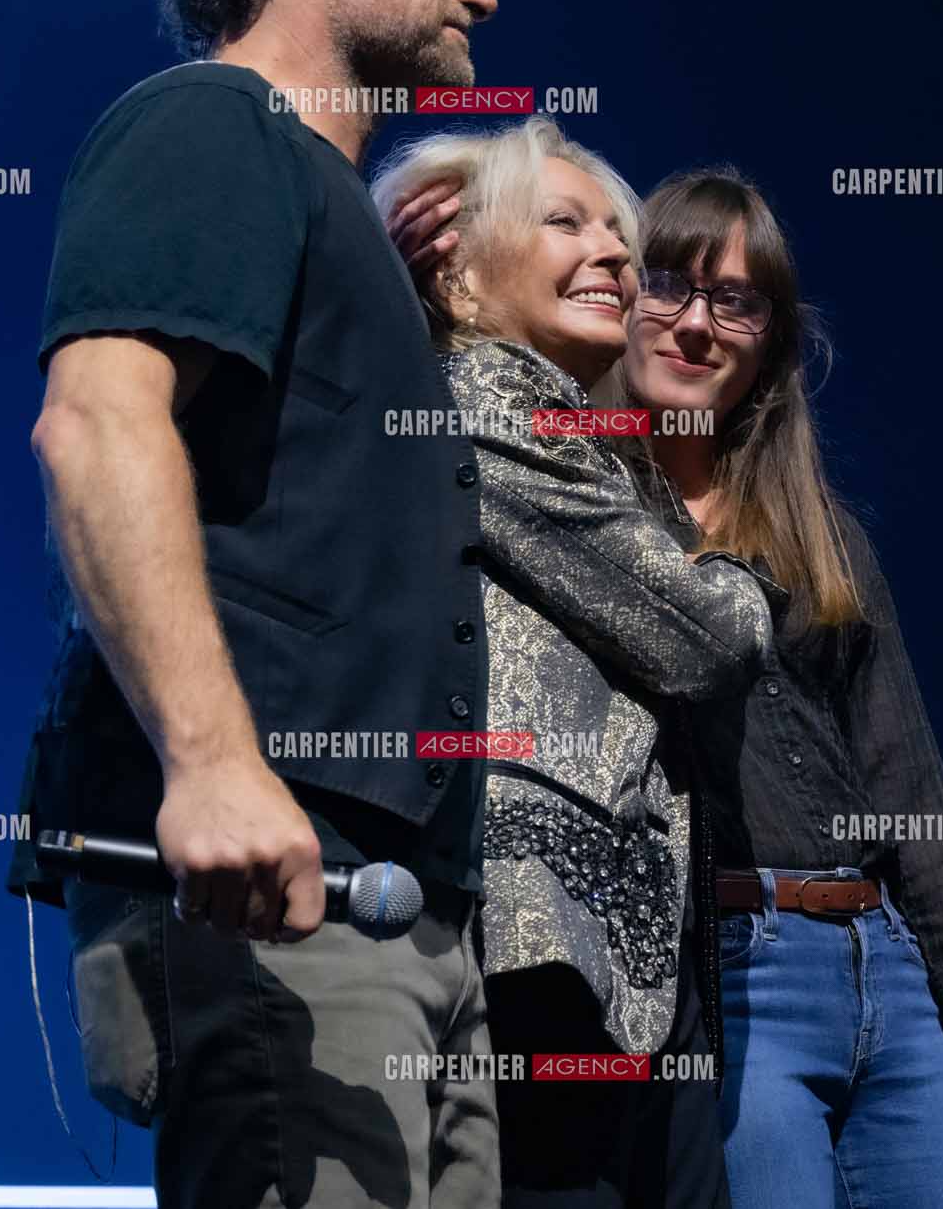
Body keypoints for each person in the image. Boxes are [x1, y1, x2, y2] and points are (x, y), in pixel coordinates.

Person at [391, 166, 943, 1207]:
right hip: (720, 967)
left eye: (736, 299)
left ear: (771, 335)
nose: (696, 324)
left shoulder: (820, 535)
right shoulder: (568, 485)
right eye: (666, 283)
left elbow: (910, 789)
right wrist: (415, 276)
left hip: (881, 962)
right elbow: (418, 393)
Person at [2, 0, 504, 1209]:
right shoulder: (209, 123)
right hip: (280, 883)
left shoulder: (324, 202)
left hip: (402, 900)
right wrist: (214, 763)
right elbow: (97, 425)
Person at [371, 115, 778, 1209]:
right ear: (457, 273)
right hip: (538, 944)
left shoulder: (567, 430)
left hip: (617, 953)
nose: (614, 254)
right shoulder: (481, 400)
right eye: (565, 223)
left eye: (619, 233)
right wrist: (744, 577)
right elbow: (710, 639)